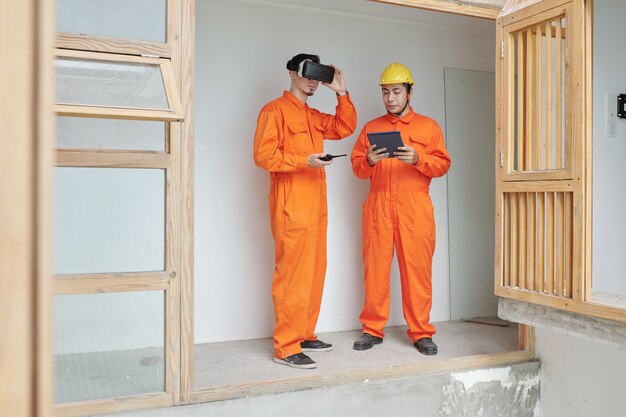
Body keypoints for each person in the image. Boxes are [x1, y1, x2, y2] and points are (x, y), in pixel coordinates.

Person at [253, 53, 357, 369]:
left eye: (317, 74)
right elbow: (263, 155)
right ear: (291, 74)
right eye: (307, 72)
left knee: (314, 271)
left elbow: (344, 126)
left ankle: (305, 334)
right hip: (292, 206)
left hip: (316, 204)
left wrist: (340, 91)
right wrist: (303, 161)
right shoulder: (274, 111)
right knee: (293, 276)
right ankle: (286, 346)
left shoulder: (311, 115)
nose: (312, 80)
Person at [350, 62, 451, 355]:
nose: (390, 98)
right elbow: (357, 167)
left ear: (409, 92)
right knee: (375, 270)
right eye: (385, 92)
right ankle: (372, 329)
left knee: (417, 271)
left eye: (396, 91)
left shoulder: (428, 127)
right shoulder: (372, 128)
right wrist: (368, 159)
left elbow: (443, 164)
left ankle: (421, 332)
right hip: (378, 205)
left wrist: (419, 158)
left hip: (414, 206)